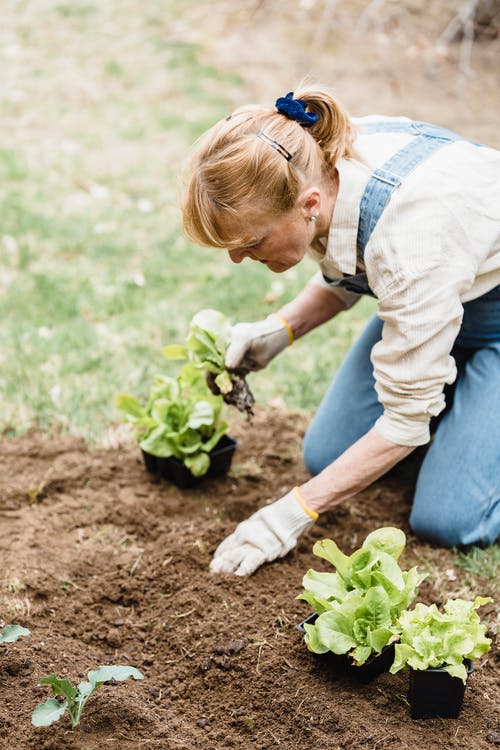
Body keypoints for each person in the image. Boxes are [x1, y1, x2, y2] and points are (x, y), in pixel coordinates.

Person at [182, 84, 500, 576]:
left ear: (309, 205)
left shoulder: (412, 235)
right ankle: (459, 395)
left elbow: (404, 422)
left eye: (250, 241)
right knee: (326, 454)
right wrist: (279, 330)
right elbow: (349, 262)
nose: (237, 257)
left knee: (448, 517)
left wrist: (289, 515)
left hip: (485, 309)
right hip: (440, 299)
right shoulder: (312, 159)